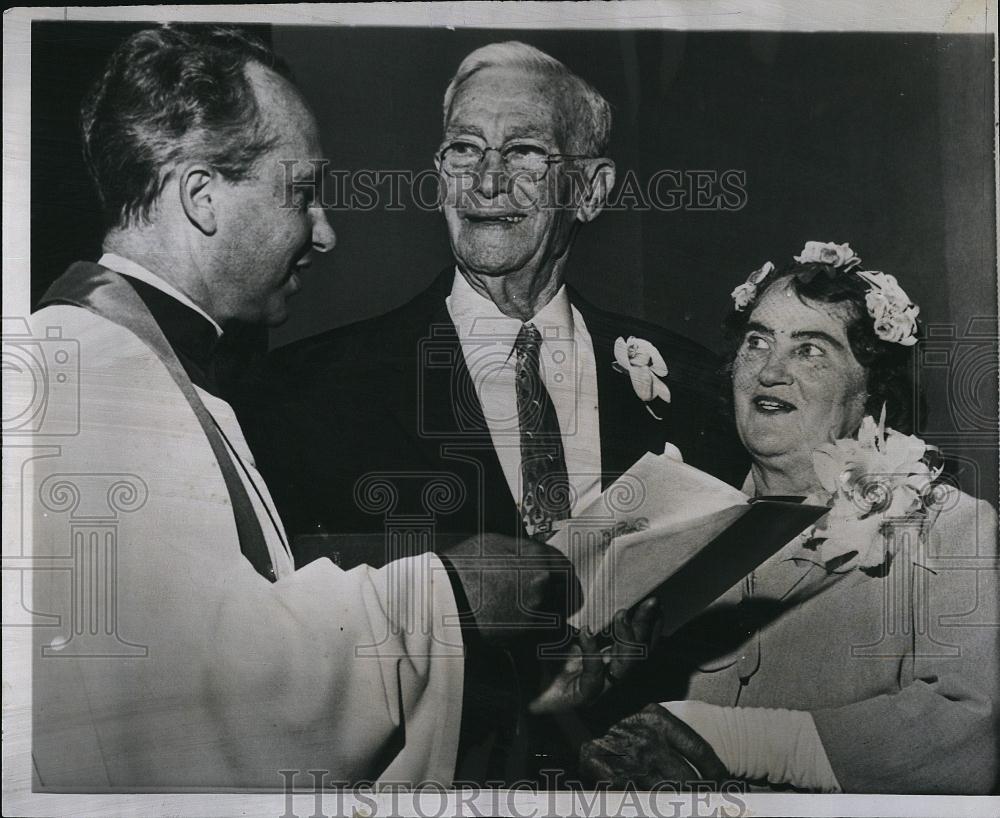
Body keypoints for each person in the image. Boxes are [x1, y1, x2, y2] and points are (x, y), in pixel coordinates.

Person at [24, 26, 648, 791]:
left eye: (523, 153)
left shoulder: (144, 363)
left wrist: (508, 688)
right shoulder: (95, 376)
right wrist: (452, 593)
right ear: (201, 198)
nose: (324, 231)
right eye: (302, 192)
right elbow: (196, 709)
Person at [579, 241, 1000, 793]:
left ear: (871, 393)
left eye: (811, 350)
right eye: (757, 343)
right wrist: (602, 691)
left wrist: (739, 742)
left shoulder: (946, 524)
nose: (770, 372)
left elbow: (974, 732)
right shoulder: (673, 522)